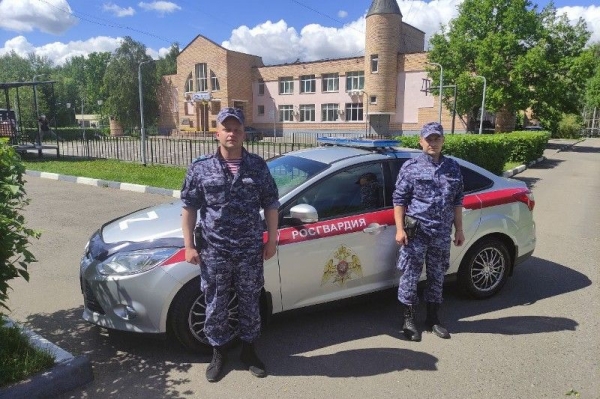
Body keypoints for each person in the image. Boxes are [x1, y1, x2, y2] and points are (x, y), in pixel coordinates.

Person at [180, 107, 279, 382]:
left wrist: (272, 239)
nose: (231, 133)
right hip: (214, 251)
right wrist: (189, 246)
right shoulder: (200, 168)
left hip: (249, 250)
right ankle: (219, 353)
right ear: (217, 133)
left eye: (236, 129)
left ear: (244, 133)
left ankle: (249, 351)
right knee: (216, 303)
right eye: (226, 128)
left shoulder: (257, 166)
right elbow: (189, 208)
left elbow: (271, 203)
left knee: (250, 300)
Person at [392, 121, 465, 342]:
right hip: (417, 232)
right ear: (421, 141)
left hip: (442, 233)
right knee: (411, 275)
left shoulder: (452, 168)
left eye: (437, 138)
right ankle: (408, 320)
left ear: (443, 141)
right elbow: (399, 200)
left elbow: (457, 201)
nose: (433, 143)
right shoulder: (411, 167)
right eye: (429, 139)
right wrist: (399, 229)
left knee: (437, 275)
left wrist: (459, 229)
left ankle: (433, 319)